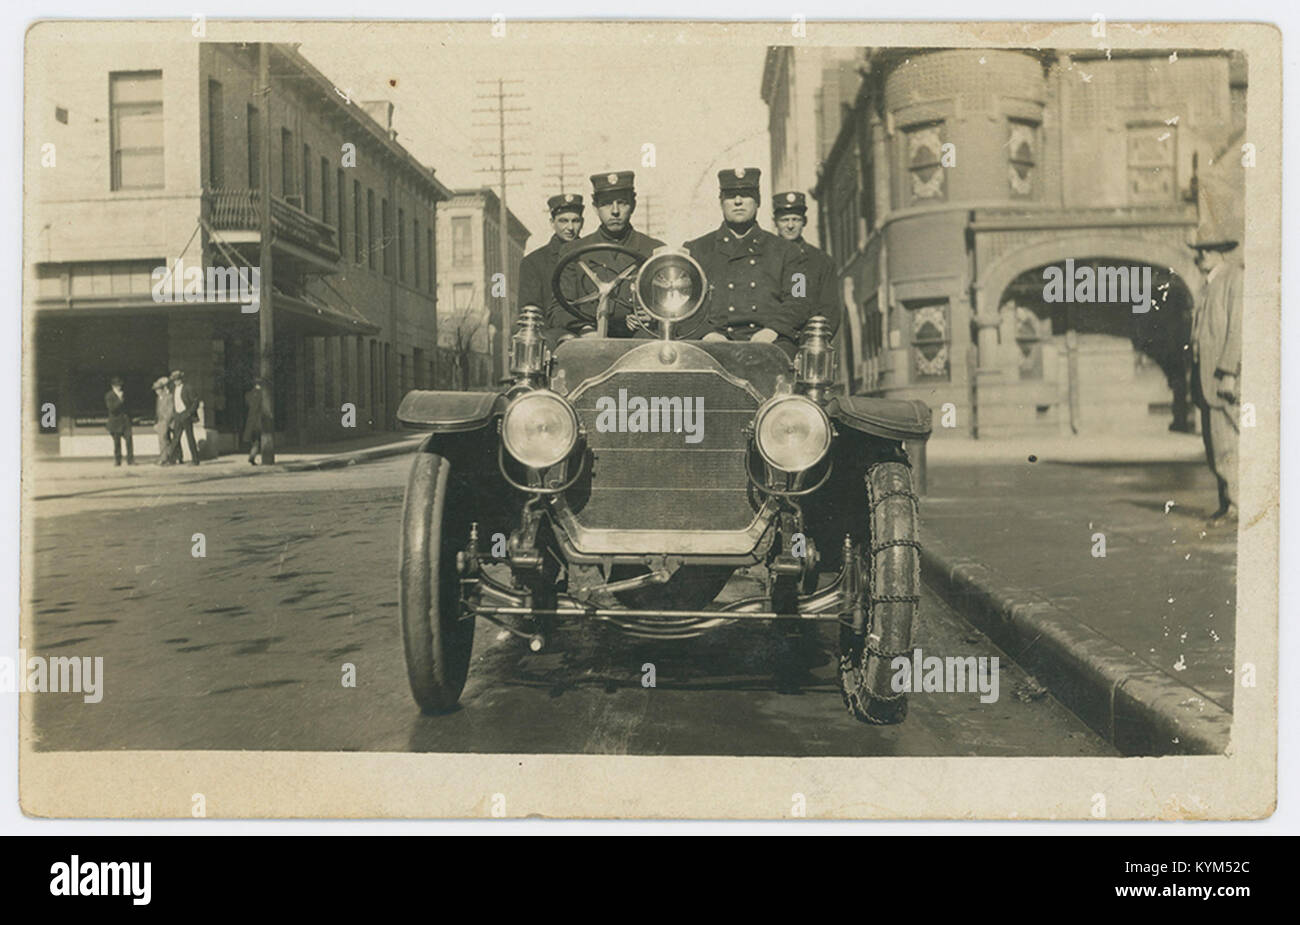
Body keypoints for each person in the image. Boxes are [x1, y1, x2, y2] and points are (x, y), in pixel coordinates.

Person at [679, 167, 803, 357]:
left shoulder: (788, 252)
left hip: (771, 344)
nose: (738, 201)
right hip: (711, 345)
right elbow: (682, 302)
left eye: (746, 195)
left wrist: (772, 331)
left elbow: (799, 299)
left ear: (758, 200)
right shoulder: (696, 251)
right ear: (721, 201)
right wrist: (707, 333)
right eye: (730, 196)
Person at [549, 171, 665, 342]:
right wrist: (586, 330)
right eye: (606, 204)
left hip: (641, 342)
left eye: (622, 203)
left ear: (633, 205)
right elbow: (559, 309)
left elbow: (672, 305)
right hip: (590, 341)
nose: (615, 211)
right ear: (595, 208)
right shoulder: (574, 251)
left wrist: (654, 317)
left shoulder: (654, 250)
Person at [1189, 226, 1243, 526]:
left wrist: (1227, 372)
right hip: (1204, 379)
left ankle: (1237, 506)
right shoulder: (1208, 284)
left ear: (1221, 251)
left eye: (1206, 250)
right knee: (1214, 447)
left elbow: (1236, 330)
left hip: (1222, 379)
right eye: (1198, 251)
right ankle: (1227, 504)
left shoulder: (1234, 278)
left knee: (1227, 446)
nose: (1200, 256)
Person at [771, 190, 841, 337]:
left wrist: (815, 341)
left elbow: (830, 311)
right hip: (771, 340)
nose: (790, 226)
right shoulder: (764, 257)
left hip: (808, 342)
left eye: (796, 219)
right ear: (775, 222)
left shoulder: (822, 262)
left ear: (805, 222)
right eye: (784, 220)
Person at [520, 193, 584, 345]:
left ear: (582, 222)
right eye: (563, 221)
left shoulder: (592, 256)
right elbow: (531, 311)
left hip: (589, 334)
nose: (570, 228)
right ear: (552, 222)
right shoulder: (533, 263)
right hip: (552, 338)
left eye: (575, 221)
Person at [166, 369, 201, 466]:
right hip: (178, 415)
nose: (176, 381)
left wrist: (189, 413)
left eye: (177, 379)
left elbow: (195, 401)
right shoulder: (174, 389)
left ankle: (195, 460)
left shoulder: (188, 388)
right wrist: (174, 414)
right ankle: (172, 459)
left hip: (186, 415)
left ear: (181, 379)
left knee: (190, 438)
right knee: (176, 438)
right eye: (174, 380)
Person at [104, 376, 134, 466]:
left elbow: (129, 407)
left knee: (129, 440)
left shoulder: (124, 394)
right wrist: (120, 400)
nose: (119, 387)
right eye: (117, 385)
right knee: (117, 443)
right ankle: (118, 460)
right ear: (113, 386)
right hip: (115, 422)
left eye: (120, 385)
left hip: (125, 421)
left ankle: (130, 460)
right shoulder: (109, 395)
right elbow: (112, 409)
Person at [151, 376, 176, 465]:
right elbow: (157, 411)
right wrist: (156, 422)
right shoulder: (159, 398)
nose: (157, 391)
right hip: (160, 422)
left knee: (164, 440)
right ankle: (166, 457)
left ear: (162, 389)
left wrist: (166, 421)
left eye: (158, 389)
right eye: (156, 390)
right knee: (162, 440)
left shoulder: (168, 397)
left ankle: (165, 458)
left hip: (166, 421)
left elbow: (170, 410)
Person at [243, 378, 267, 465]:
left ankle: (252, 455)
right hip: (259, 420)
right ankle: (252, 456)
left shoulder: (248, 394)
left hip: (250, 420)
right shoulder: (263, 394)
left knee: (254, 439)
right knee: (258, 440)